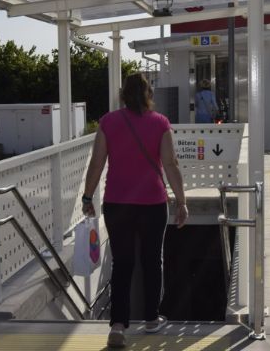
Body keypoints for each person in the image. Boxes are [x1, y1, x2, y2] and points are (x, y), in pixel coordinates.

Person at [81, 73, 188, 349]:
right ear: (148, 94)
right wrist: (182, 200)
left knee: (122, 264)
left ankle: (118, 326)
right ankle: (152, 319)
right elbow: (171, 163)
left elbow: (96, 163)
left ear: (123, 94)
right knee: (153, 262)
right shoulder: (160, 123)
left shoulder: (108, 122)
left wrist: (87, 196)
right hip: (153, 203)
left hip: (117, 204)